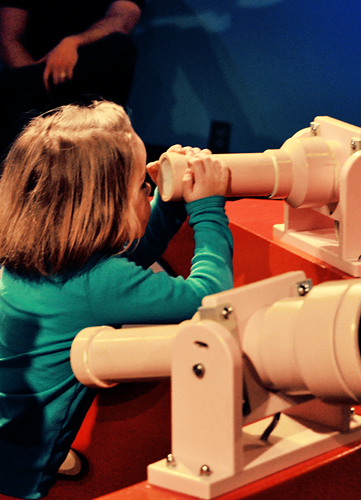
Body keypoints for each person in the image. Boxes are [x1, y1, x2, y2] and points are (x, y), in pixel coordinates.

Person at [0, 100, 233, 499]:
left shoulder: (34, 254)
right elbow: (210, 297)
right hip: (19, 476)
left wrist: (168, 203)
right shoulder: (99, 283)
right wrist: (208, 208)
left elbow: (125, 264)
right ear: (106, 208)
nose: (150, 189)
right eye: (142, 185)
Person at [0, 0, 143, 159]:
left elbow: (122, 19)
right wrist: (37, 80)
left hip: (88, 75)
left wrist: (71, 43)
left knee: (120, 47)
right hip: (30, 78)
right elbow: (8, 38)